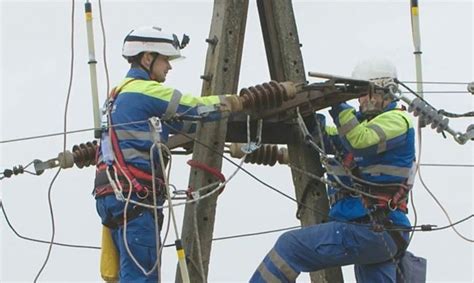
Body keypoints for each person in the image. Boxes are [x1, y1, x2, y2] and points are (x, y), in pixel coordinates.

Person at [94, 26, 241, 282]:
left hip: (112, 200)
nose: (169, 68)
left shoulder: (115, 96)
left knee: (129, 276)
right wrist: (239, 102)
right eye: (165, 60)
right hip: (136, 198)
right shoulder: (146, 90)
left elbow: (178, 123)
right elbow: (197, 107)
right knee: (142, 277)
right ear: (147, 58)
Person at [250, 58, 418, 282]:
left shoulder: (397, 120)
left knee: (290, 247)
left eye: (368, 93)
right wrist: (308, 114)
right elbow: (327, 138)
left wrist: (337, 103)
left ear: (387, 92)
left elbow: (360, 140)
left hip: (371, 228)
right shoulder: (359, 124)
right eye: (360, 94)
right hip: (378, 232)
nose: (363, 100)